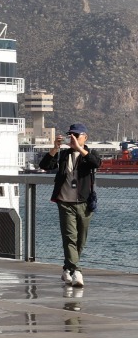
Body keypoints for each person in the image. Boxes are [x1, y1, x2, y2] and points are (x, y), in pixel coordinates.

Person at [40, 122, 102, 287]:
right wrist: (54, 149)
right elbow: (44, 166)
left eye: (76, 135)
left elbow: (96, 163)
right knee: (69, 238)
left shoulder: (90, 153)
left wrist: (80, 149)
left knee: (80, 240)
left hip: (85, 203)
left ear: (85, 137)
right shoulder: (63, 155)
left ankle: (68, 268)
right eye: (70, 135)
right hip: (65, 202)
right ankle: (77, 271)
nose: (72, 138)